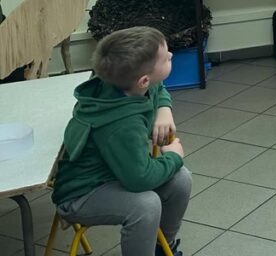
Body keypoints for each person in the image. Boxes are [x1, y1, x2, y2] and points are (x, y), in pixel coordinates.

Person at [51, 27, 191, 256]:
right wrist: (174, 156)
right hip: (81, 193)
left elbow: (158, 86)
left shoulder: (123, 82)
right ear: (143, 80)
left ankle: (163, 247)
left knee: (181, 179)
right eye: (166, 57)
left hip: (118, 172)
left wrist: (164, 110)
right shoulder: (122, 124)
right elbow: (140, 179)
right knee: (146, 205)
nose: (172, 56)